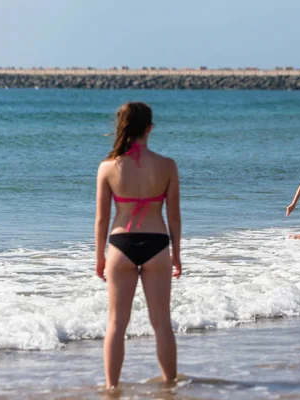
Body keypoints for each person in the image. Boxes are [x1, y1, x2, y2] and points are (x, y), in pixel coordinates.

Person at [95, 102, 182, 389]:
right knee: (162, 324)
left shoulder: (107, 167)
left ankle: (111, 388)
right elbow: (174, 215)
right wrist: (177, 255)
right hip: (158, 244)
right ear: (149, 128)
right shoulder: (167, 165)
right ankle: (170, 386)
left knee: (116, 325)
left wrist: (99, 257)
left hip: (120, 246)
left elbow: (101, 219)